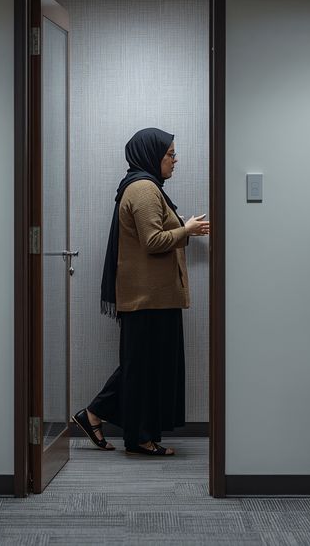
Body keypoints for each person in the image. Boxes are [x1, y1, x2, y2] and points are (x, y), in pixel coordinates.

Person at [71, 127, 210, 456]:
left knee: (142, 365)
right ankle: (137, 438)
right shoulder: (145, 188)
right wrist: (186, 229)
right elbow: (152, 241)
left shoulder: (143, 185)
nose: (175, 160)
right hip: (149, 298)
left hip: (151, 297)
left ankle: (94, 415)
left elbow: (157, 232)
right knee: (143, 368)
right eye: (170, 154)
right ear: (152, 155)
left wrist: (183, 228)